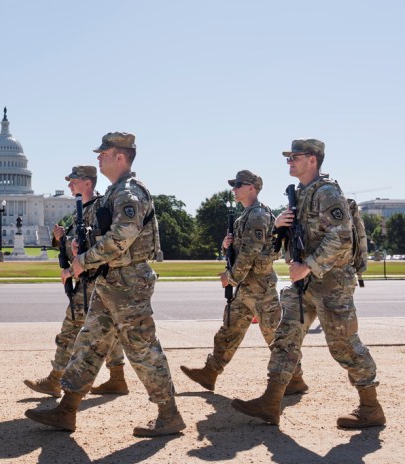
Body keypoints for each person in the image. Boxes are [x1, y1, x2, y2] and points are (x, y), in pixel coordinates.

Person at [25, 132, 185, 437]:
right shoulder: (114, 192)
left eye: (104, 153)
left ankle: (169, 414)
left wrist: (84, 259)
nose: (99, 158)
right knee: (90, 342)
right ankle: (67, 408)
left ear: (121, 157)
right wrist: (80, 248)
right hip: (110, 281)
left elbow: (123, 237)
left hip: (129, 282)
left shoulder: (129, 192)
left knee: (141, 347)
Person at [231, 139, 386, 428]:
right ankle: (271, 401)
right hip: (303, 284)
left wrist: (308, 266)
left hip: (332, 283)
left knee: (344, 346)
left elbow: (341, 238)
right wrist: (280, 226)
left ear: (313, 160)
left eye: (295, 156)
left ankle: (370, 407)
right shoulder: (300, 194)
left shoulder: (327, 193)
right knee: (285, 337)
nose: (289, 161)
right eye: (289, 157)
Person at [180, 170, 309, 395]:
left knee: (275, 336)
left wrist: (229, 277)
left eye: (239, 184)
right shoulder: (244, 217)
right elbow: (242, 251)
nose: (234, 189)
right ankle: (210, 373)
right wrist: (226, 247)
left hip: (261, 289)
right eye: (234, 185)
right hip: (244, 288)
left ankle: (295, 379)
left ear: (252, 187)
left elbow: (249, 255)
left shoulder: (258, 215)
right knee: (228, 331)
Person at [24, 166, 128, 398]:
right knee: (108, 330)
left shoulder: (100, 209)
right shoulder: (86, 210)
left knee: (70, 330)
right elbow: (79, 246)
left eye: (74, 180)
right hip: (92, 281)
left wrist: (72, 269)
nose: (70, 184)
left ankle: (55, 380)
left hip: (94, 281)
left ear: (88, 183)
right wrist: (62, 239)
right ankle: (117, 379)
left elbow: (101, 248)